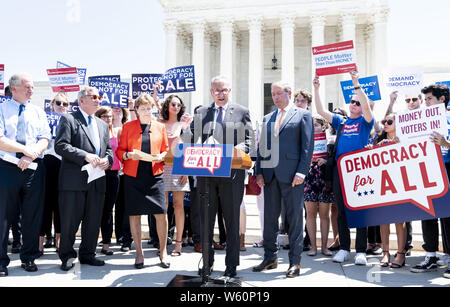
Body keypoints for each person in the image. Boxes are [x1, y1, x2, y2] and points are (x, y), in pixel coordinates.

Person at [182, 75, 254, 278]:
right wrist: (185, 128)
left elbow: (250, 141)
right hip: (207, 175)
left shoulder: (241, 111)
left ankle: (231, 266)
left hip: (232, 174)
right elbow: (188, 139)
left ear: (229, 91)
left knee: (231, 221)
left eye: (224, 90)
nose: (220, 94)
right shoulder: (202, 112)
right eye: (216, 90)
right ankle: (208, 262)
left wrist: (234, 150)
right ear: (211, 92)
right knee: (206, 221)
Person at [254, 80, 314, 278]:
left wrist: (302, 172)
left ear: (288, 93)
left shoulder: (303, 115)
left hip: (293, 176)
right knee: (269, 219)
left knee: (295, 219)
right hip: (270, 176)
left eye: (279, 93)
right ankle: (270, 257)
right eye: (273, 94)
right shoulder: (268, 118)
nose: (275, 97)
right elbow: (263, 148)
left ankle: (295, 262)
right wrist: (259, 172)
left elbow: (307, 147)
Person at [313, 71, 374, 266]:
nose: (354, 104)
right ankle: (345, 248)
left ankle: (361, 250)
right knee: (342, 211)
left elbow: (366, 105)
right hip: (341, 171)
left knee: (360, 211)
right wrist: (316, 89)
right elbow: (322, 111)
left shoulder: (366, 122)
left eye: (357, 103)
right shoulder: (342, 121)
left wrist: (356, 84)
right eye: (352, 102)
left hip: (360, 171)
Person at [55, 86, 113, 271]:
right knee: (70, 221)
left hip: (97, 180)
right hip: (74, 181)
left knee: (93, 220)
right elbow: (61, 145)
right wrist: (85, 156)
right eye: (93, 97)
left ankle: (88, 254)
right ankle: (67, 256)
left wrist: (108, 160)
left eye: (99, 97)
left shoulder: (102, 124)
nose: (98, 100)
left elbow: (108, 149)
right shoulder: (69, 119)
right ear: (81, 100)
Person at [0, 73, 51, 276]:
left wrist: (31, 155)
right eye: (27, 87)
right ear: (14, 89)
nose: (31, 90)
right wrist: (25, 150)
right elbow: (1, 139)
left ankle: (28, 257)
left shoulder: (38, 111)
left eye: (32, 87)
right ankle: (1, 262)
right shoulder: (2, 108)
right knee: (3, 216)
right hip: (7, 167)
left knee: (32, 215)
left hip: (33, 168)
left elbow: (45, 137)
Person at [117, 94, 170, 269]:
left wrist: (163, 155)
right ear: (137, 110)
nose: (147, 111)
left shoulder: (160, 127)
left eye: (149, 108)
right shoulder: (127, 127)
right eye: (143, 108)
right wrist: (127, 155)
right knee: (134, 214)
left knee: (161, 213)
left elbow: (166, 149)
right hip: (133, 175)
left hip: (155, 175)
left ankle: (163, 251)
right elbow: (120, 151)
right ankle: (139, 253)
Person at [411, 84, 450, 278]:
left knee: (448, 216)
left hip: (447, 170)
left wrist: (446, 143)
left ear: (442, 100)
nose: (425, 103)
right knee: (427, 213)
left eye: (429, 99)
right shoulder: (420, 119)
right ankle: (431, 256)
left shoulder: (449, 118)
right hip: (426, 171)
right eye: (424, 99)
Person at [367, 113, 407, 268]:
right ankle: (385, 252)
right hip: (382, 185)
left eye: (389, 121)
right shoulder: (380, 142)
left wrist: (401, 144)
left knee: (400, 220)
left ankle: (401, 253)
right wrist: (370, 151)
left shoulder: (407, 139)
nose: (385, 123)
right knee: (383, 219)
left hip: (401, 184)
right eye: (384, 121)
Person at [158, 94, 191, 256]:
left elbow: (189, 149)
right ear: (167, 106)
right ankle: (162, 244)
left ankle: (178, 244)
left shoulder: (184, 125)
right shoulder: (159, 123)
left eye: (178, 105)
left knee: (179, 205)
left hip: (179, 167)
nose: (176, 107)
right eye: (173, 104)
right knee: (162, 207)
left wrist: (186, 169)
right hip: (162, 167)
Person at [39, 92, 70, 257]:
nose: (61, 106)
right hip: (47, 162)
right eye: (58, 103)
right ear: (52, 104)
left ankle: (59, 238)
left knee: (60, 204)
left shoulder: (70, 122)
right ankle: (41, 240)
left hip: (64, 165)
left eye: (65, 104)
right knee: (45, 203)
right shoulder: (44, 120)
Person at [304, 116, 334, 257]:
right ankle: (313, 247)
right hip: (309, 178)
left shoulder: (330, 141)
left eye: (316, 125)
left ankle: (324, 247)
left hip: (324, 179)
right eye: (311, 125)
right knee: (310, 214)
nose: (313, 127)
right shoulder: (305, 140)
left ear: (323, 127)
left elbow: (334, 158)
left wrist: (326, 160)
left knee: (324, 214)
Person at [95, 106, 122, 256]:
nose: (108, 119)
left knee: (107, 210)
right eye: (105, 116)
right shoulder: (94, 132)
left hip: (113, 174)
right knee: (94, 209)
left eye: (110, 116)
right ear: (99, 117)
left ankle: (106, 244)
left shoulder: (116, 131)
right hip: (97, 173)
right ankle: (91, 242)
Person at [2, 85, 23, 255]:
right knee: (5, 212)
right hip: (4, 165)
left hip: (24, 164)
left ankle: (18, 241)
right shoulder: (2, 110)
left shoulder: (32, 112)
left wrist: (28, 153)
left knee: (18, 210)